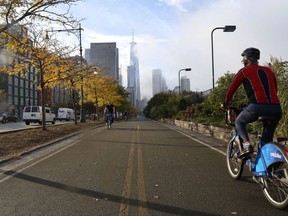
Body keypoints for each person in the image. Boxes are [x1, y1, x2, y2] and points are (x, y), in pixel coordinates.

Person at [225, 47, 282, 158]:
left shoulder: (244, 71)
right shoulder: (268, 70)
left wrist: (226, 103)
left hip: (256, 107)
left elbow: (231, 90)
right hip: (276, 108)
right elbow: (275, 90)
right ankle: (269, 169)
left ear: (246, 59)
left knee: (239, 122)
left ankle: (246, 145)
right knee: (266, 141)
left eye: (243, 59)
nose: (243, 61)